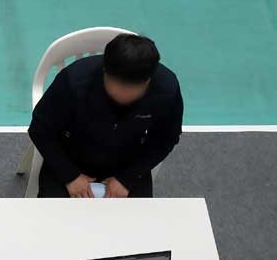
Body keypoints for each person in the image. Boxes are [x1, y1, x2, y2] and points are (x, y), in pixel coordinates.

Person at [28, 33, 183, 198]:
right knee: (53, 218)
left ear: (148, 81)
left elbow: (166, 139)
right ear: (105, 71)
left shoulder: (167, 90)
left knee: (137, 221)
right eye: (117, 84)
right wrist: (70, 175)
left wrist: (127, 177)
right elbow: (40, 129)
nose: (123, 94)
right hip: (70, 157)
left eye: (132, 88)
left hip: (128, 163)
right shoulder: (73, 81)